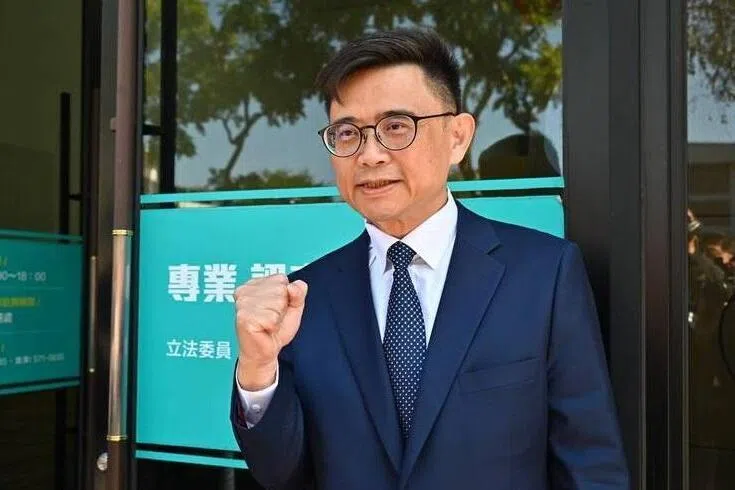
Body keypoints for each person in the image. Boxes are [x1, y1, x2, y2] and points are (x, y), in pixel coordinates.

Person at [230, 27, 629, 490]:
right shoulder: (305, 296)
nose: (370, 155)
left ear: (458, 137)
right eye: (348, 133)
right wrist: (258, 369)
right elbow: (282, 473)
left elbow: (589, 464)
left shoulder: (544, 274)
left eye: (396, 126)